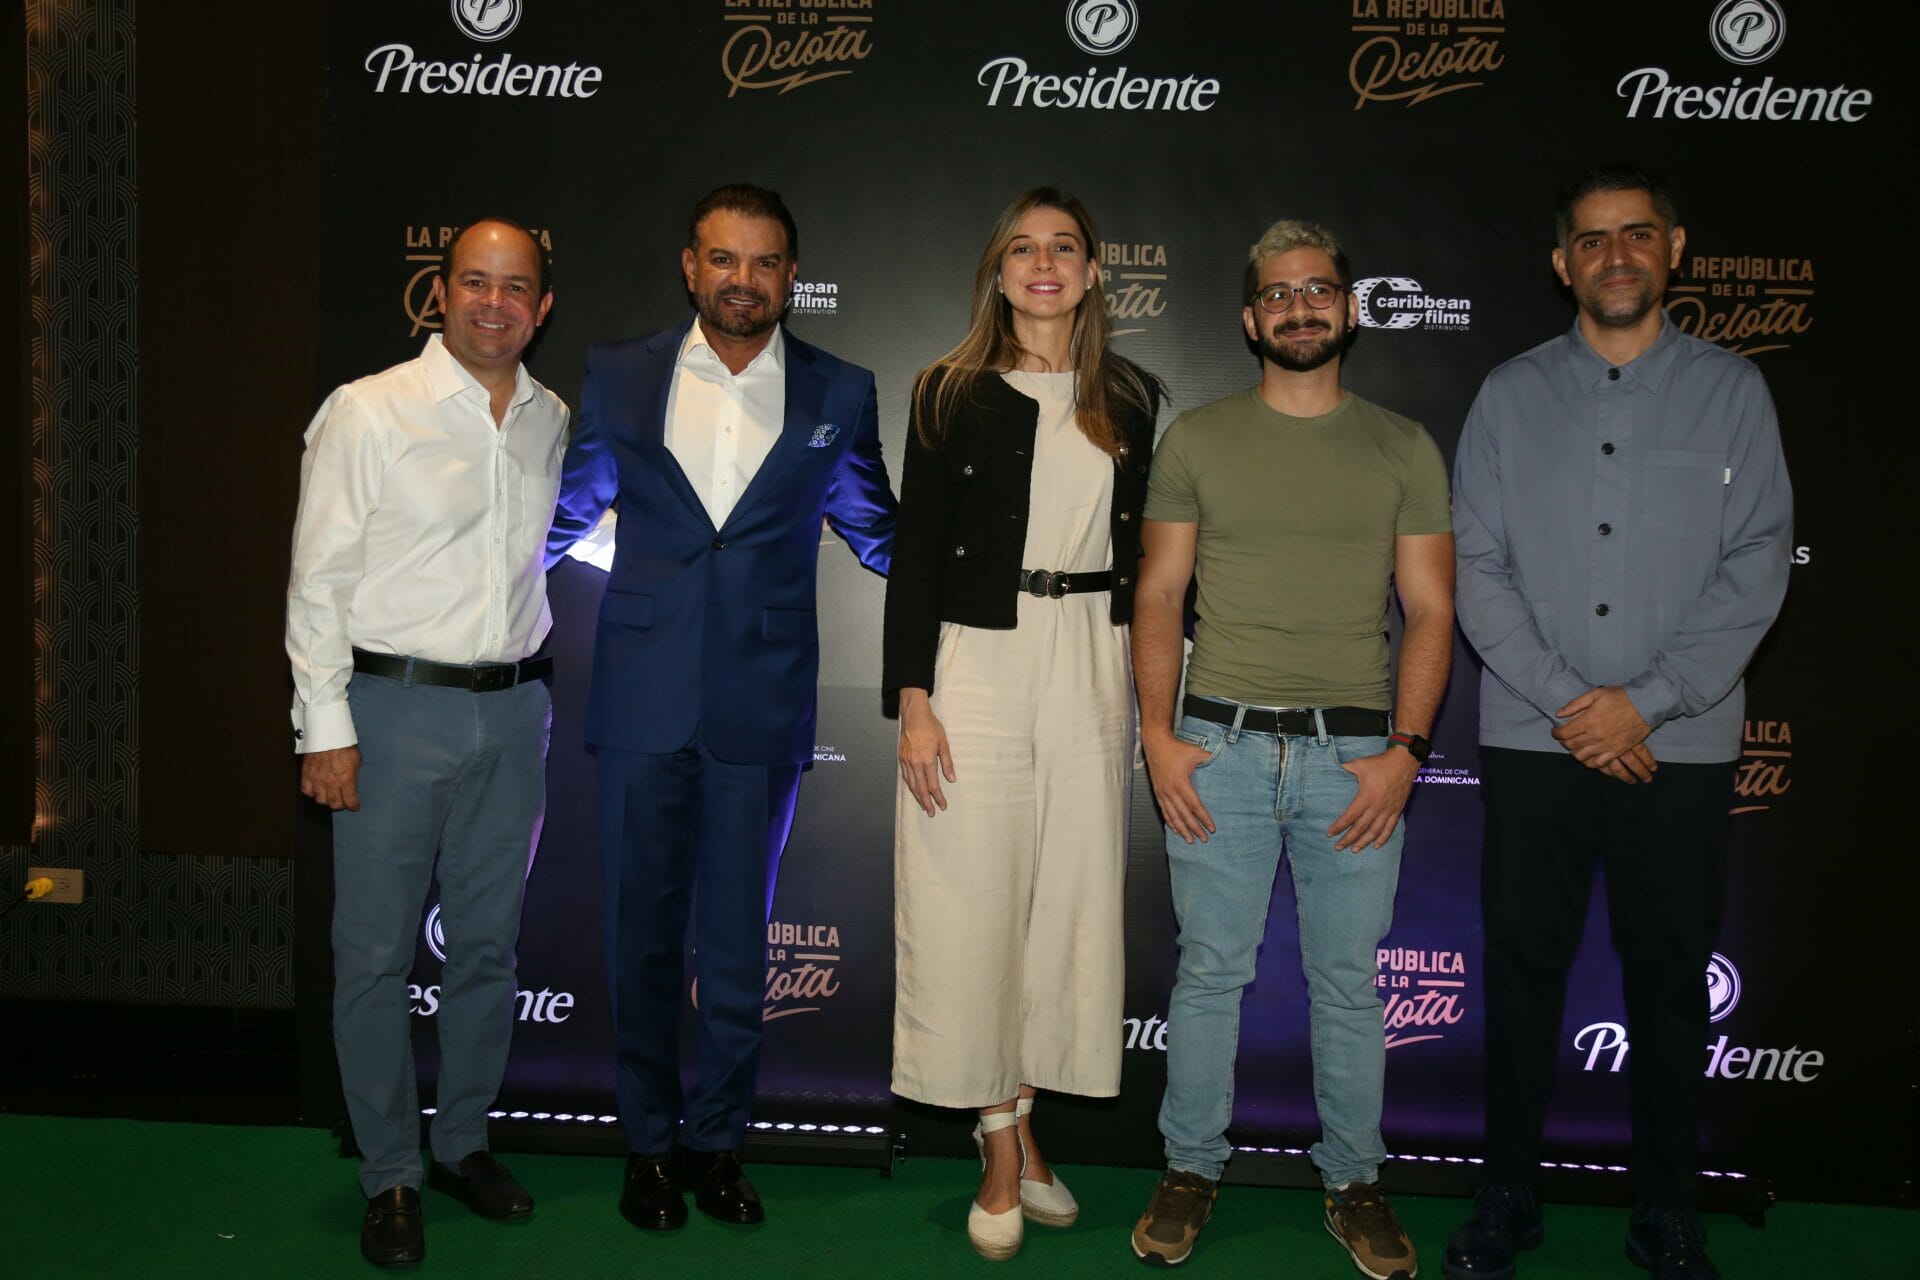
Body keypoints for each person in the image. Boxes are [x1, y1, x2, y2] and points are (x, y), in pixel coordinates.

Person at [1445, 166, 1791, 1280]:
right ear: (1563, 263)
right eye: (1592, 240)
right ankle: (1507, 1193)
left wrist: (1642, 703)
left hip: (1677, 744)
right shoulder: (1508, 394)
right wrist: (1574, 704)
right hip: (1534, 739)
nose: (1617, 255)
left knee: (1671, 977)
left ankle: (1666, 1206)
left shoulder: (1734, 390)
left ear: (1674, 248)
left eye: (1637, 234)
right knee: (1521, 969)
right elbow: (1476, 565)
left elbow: (1757, 562)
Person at [546, 183, 895, 1232]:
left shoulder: (841, 390)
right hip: (641, 699)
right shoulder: (620, 373)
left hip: (762, 703)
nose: (744, 280)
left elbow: (880, 530)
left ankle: (718, 1142)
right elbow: (559, 515)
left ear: (791, 277)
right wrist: (459, 590)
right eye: (725, 259)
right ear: (691, 266)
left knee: (740, 943)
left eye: (765, 262)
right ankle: (648, 1147)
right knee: (640, 938)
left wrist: (992, 593)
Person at [1130, 219, 1454, 1275]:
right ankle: (1189, 1167)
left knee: (1348, 982)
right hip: (1216, 747)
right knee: (1210, 973)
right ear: (1249, 317)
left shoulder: (1403, 445)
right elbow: (1159, 593)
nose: (1299, 306)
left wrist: (1407, 751)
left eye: (1318, 289)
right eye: (1278, 293)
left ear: (1349, 309)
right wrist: (1158, 737)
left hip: (1354, 758)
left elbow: (1431, 609)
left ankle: (1355, 1181)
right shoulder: (1197, 439)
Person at [882, 187, 1163, 1262]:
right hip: (977, 658)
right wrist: (914, 697)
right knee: (966, 898)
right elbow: (914, 553)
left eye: (1064, 248)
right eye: (1022, 249)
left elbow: (1152, 559)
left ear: (1092, 272)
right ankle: (1000, 1144)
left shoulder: (1130, 396)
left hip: (1091, 652)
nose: (1044, 264)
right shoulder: (948, 391)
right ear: (998, 274)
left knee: (1068, 902)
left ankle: (1024, 1119)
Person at [287, 218, 565, 1267]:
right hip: (392, 710)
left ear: (542, 306)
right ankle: (392, 1171)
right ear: (440, 292)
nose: (495, 303)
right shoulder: (368, 410)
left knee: (487, 948)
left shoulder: (550, 418)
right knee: (372, 955)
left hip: (516, 711)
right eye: (476, 282)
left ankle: (463, 1145)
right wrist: (325, 726)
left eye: (516, 286)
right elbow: (317, 578)